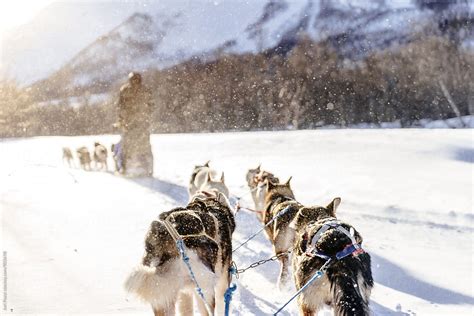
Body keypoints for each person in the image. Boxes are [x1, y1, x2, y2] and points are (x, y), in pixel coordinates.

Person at [116, 72, 154, 177]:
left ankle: (124, 168)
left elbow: (120, 107)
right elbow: (151, 106)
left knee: (128, 146)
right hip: (138, 123)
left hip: (132, 123)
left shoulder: (125, 90)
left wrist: (121, 120)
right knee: (143, 146)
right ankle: (147, 168)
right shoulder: (145, 90)